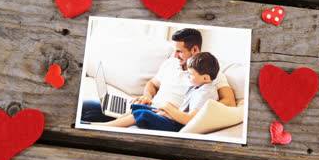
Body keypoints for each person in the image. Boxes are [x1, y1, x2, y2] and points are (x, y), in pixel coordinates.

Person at [81, 28, 236, 122]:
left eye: (180, 51)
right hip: (146, 107)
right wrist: (147, 97)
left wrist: (185, 114)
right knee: (85, 107)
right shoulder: (170, 63)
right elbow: (152, 84)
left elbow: (229, 103)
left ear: (195, 50)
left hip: (161, 117)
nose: (175, 56)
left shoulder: (211, 74)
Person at [93, 52, 220, 131]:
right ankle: (105, 125)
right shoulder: (199, 85)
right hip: (174, 118)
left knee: (142, 114)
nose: (188, 77)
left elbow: (190, 120)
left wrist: (167, 107)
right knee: (137, 108)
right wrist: (168, 112)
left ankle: (102, 128)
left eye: (191, 75)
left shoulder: (205, 93)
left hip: (177, 126)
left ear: (205, 78)